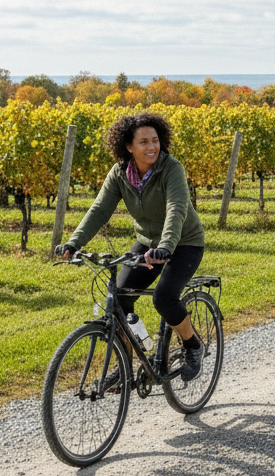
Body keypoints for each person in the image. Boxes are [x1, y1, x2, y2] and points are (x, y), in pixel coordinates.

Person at [58, 112, 207, 380]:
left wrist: (166, 247)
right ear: (128, 146)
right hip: (148, 242)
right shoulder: (119, 173)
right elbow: (99, 210)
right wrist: (74, 242)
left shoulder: (171, 169)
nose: (152, 147)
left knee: (164, 298)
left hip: (184, 242)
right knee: (119, 298)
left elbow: (176, 209)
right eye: (143, 142)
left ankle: (193, 345)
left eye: (155, 140)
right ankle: (125, 363)